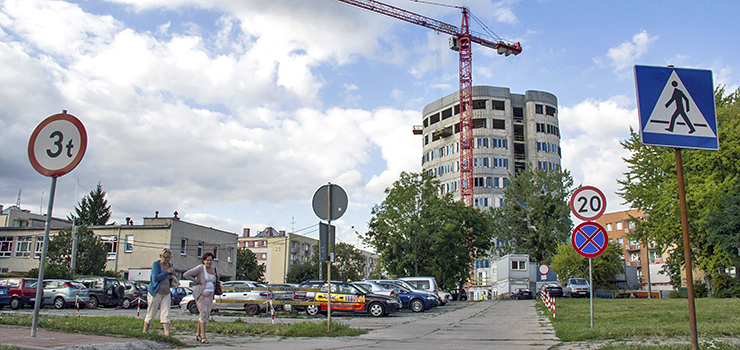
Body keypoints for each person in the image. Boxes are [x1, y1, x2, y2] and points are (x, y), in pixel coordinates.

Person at [183, 252, 220, 344]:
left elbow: (215, 281)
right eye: (207, 260)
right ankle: (203, 336)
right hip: (201, 295)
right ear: (203, 261)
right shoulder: (200, 268)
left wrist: (217, 278)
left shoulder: (214, 269)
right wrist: (196, 281)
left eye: (211, 260)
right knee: (203, 314)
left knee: (206, 315)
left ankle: (198, 334)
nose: (209, 262)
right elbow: (186, 274)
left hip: (210, 295)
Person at [143, 248, 178, 336]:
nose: (167, 260)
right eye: (165, 257)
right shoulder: (156, 264)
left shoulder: (170, 265)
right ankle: (145, 331)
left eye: (169, 258)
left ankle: (167, 334)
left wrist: (173, 274)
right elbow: (155, 278)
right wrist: (166, 272)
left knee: (166, 313)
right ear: (161, 256)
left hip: (166, 292)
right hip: (156, 292)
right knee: (151, 312)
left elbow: (173, 276)